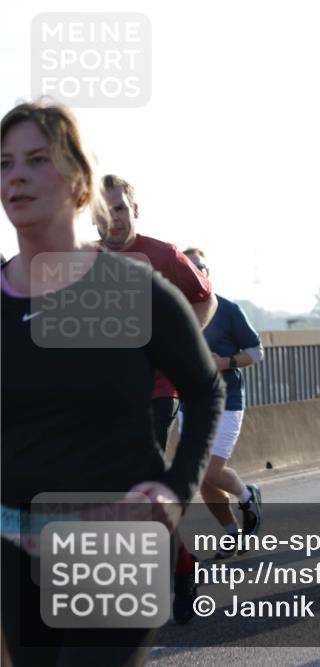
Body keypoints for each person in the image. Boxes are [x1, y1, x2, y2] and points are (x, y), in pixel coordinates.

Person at [1, 101, 223, 665]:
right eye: (4, 164)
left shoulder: (133, 291)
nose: (16, 176)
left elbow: (203, 389)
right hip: (14, 539)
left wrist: (175, 488)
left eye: (35, 159)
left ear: (78, 180)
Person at [98, 173, 217, 622]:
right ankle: (181, 562)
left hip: (157, 389)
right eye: (104, 210)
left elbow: (206, 300)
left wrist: (185, 345)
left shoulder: (162, 255)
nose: (113, 219)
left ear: (135, 209)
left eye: (120, 208)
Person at [179, 248, 265, 559]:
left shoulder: (227, 310)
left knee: (211, 470)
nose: (194, 274)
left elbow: (256, 352)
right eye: (187, 269)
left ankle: (247, 496)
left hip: (227, 402)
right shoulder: (175, 312)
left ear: (207, 272)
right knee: (200, 476)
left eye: (199, 268)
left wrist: (225, 362)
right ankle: (231, 532)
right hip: (191, 406)